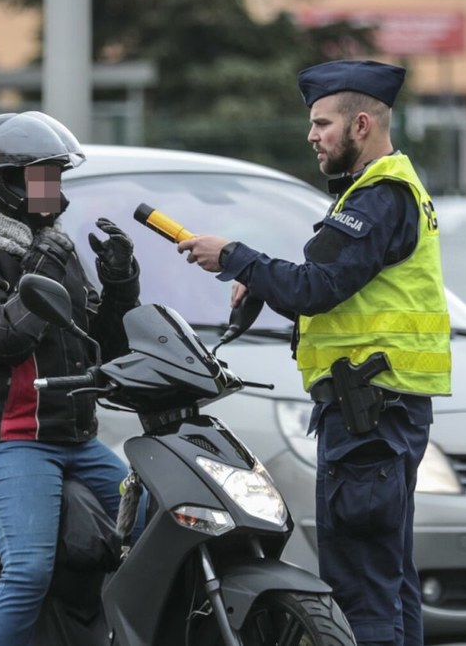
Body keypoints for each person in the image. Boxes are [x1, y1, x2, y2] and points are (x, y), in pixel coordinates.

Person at [177, 60, 451, 646]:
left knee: (361, 593)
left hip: (367, 419)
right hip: (382, 414)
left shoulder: (377, 198)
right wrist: (265, 283)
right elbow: (331, 299)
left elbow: (317, 286)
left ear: (360, 125)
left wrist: (235, 257)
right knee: (391, 583)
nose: (312, 136)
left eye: (322, 123)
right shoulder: (386, 192)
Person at [0, 111, 141, 645]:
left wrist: (120, 285)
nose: (53, 190)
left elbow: (103, 345)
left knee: (156, 530)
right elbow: (1, 337)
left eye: (56, 176)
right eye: (39, 177)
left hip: (75, 437)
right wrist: (43, 266)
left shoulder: (55, 249)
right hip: (6, 437)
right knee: (27, 569)